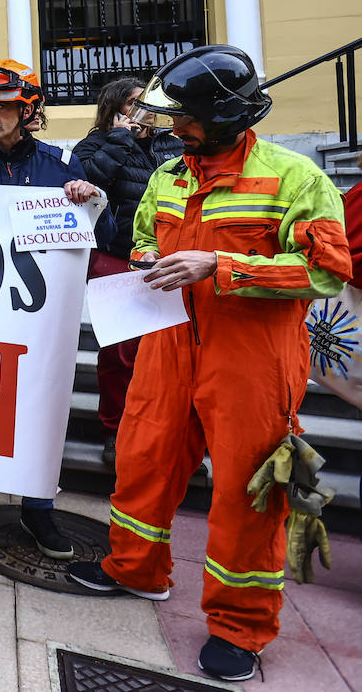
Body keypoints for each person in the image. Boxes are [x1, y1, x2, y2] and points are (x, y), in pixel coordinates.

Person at [70, 45, 351, 682]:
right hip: (168, 344)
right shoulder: (171, 175)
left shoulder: (295, 178)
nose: (172, 128)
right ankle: (134, 569)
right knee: (143, 459)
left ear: (219, 116)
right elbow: (144, 231)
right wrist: (148, 262)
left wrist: (219, 267)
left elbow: (327, 272)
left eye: (183, 119)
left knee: (247, 494)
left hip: (252, 358)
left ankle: (240, 627)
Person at [0, 59, 100, 560]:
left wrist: (90, 199)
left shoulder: (60, 164)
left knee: (38, 410)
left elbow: (97, 235)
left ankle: (38, 509)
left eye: (4, 105)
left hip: (40, 317)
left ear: (29, 109)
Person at [73, 78, 183, 463]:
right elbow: (90, 183)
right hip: (117, 255)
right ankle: (115, 430)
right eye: (135, 104)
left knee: (168, 352)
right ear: (114, 110)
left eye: (148, 104)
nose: (145, 112)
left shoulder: (174, 143)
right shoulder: (94, 145)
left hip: (169, 259)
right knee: (120, 351)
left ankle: (164, 430)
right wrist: (121, 139)